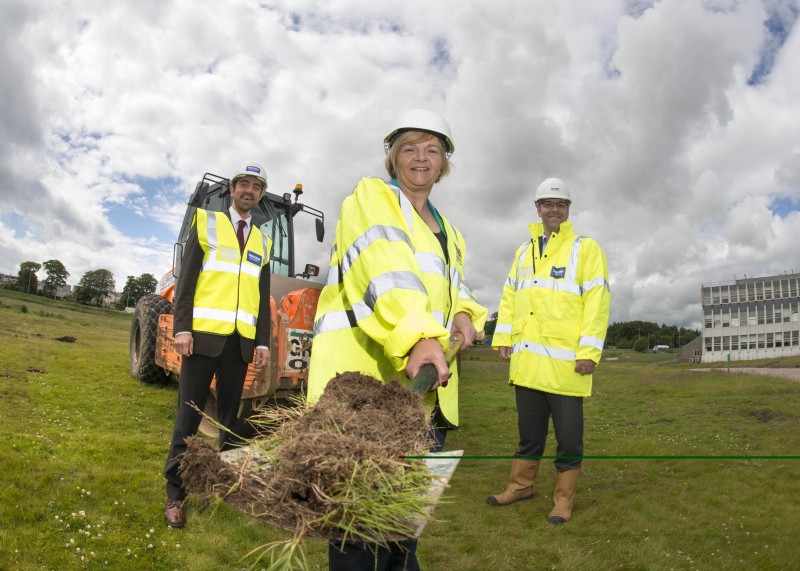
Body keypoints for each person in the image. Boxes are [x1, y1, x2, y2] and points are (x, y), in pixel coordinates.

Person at [308, 109, 488, 570]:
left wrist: (466, 314)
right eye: (409, 148)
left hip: (419, 394)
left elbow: (452, 288)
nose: (421, 158)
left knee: (402, 520)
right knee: (357, 527)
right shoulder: (372, 199)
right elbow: (386, 269)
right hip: (361, 389)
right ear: (393, 159)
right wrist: (419, 337)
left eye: (432, 150)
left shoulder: (449, 231)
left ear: (444, 163)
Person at [487, 177, 610, 525]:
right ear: (538, 208)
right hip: (527, 366)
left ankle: (563, 500)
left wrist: (589, 351)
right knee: (529, 436)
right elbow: (510, 296)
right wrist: (503, 337)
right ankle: (520, 486)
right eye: (547, 204)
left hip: (568, 368)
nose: (553, 210)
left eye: (560, 205)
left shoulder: (585, 249)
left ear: (568, 210)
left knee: (569, 440)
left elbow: (597, 303)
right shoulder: (523, 251)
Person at [163, 162, 272, 528]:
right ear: (232, 189)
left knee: (230, 419)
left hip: (240, 346)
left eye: (256, 187)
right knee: (188, 418)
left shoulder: (262, 240)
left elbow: (261, 296)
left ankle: (230, 486)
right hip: (202, 340)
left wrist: (262, 342)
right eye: (244, 183)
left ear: (260, 196)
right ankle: (176, 495)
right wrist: (182, 329)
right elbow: (187, 281)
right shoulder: (206, 224)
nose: (249, 190)